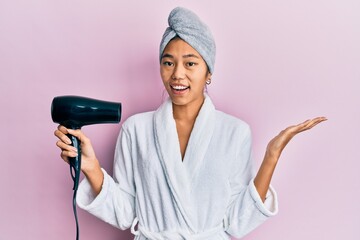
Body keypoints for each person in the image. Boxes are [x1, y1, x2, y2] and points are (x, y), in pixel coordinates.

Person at [54, 7, 326, 240]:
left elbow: (236, 221)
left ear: (208, 71)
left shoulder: (234, 132)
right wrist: (90, 167)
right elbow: (126, 212)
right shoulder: (136, 130)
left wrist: (272, 155)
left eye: (191, 63)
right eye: (168, 63)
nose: (178, 75)